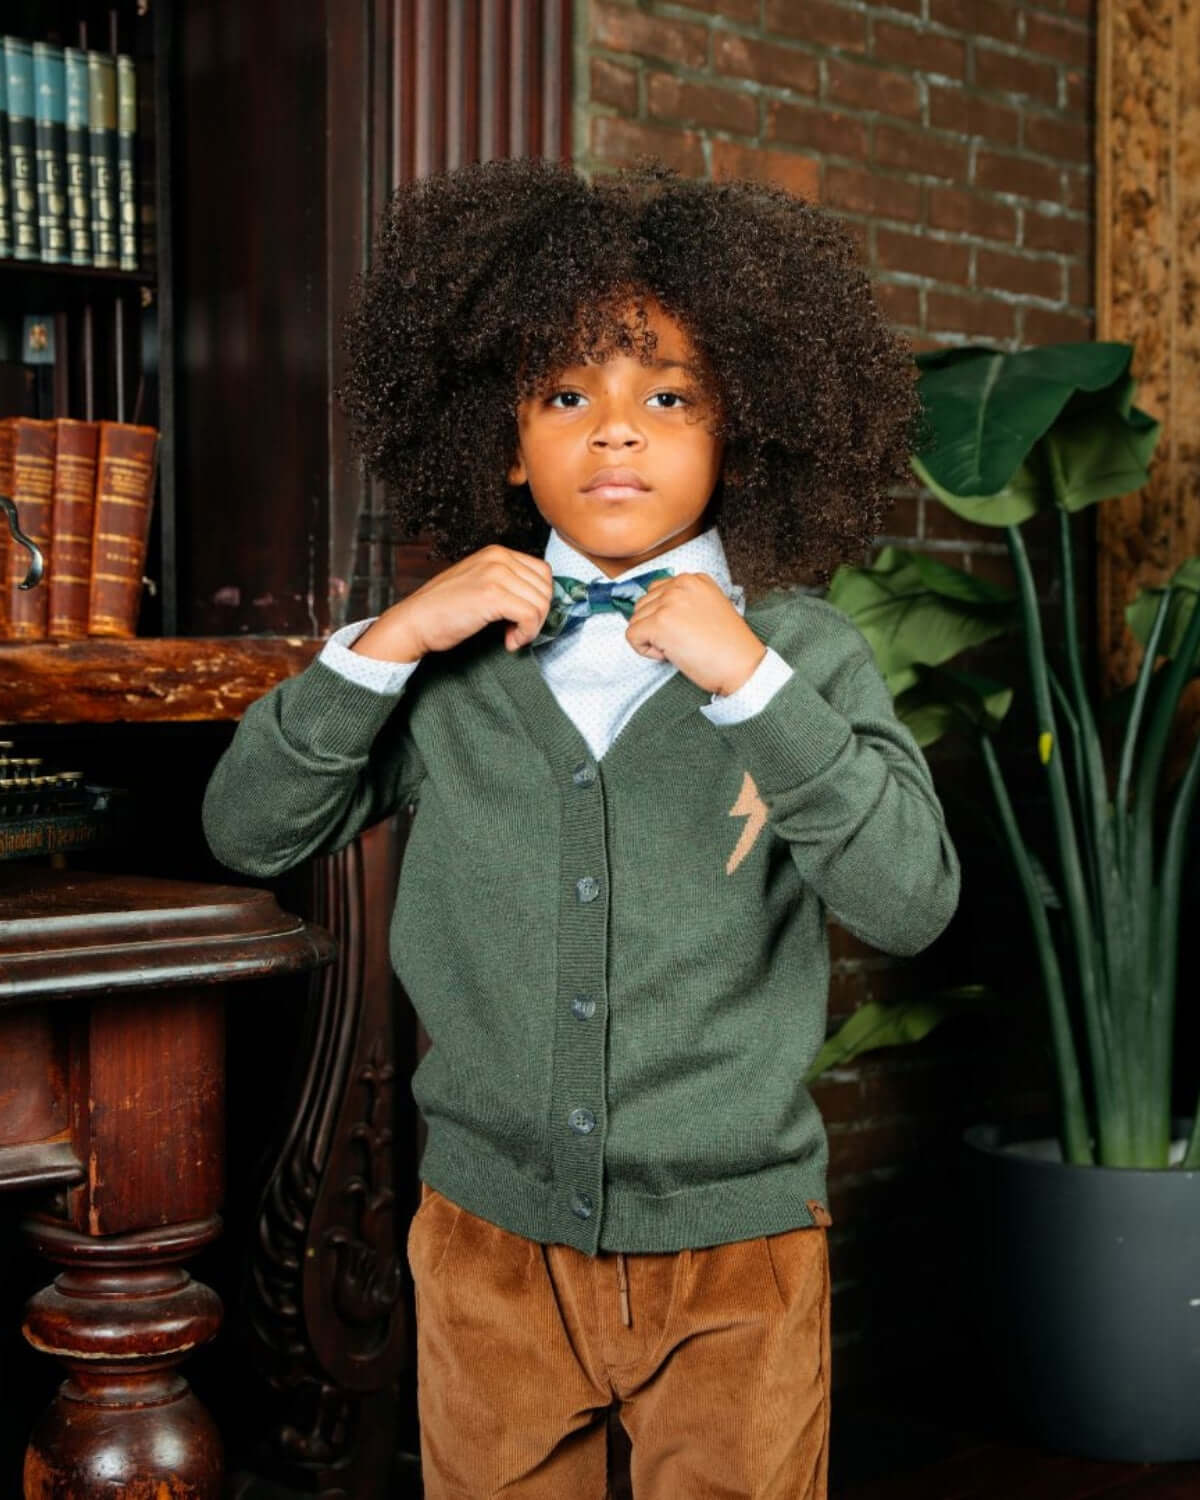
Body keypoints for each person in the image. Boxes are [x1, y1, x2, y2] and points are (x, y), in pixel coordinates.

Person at [201, 155, 961, 1499]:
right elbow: (249, 831)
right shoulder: (443, 652)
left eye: (669, 396)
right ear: (504, 436)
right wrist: (387, 642)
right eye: (568, 395)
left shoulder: (807, 654)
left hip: (739, 1252)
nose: (618, 432)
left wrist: (750, 684)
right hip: (488, 1241)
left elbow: (911, 901)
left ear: (741, 429)